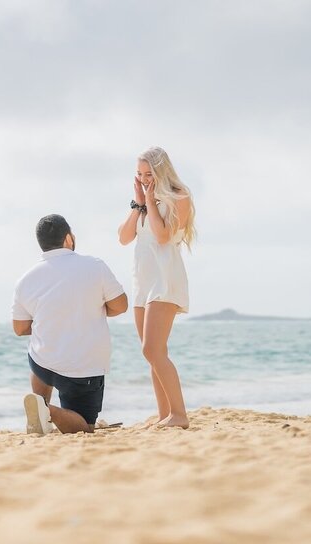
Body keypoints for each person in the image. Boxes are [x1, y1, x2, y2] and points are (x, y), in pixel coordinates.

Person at [13, 214, 128, 434]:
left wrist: (51, 320)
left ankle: (39, 402)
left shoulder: (25, 279)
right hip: (83, 369)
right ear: (68, 238)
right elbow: (121, 306)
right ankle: (46, 411)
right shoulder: (94, 266)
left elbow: (19, 328)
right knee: (85, 427)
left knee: (39, 350)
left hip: (43, 364)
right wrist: (94, 309)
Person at [118, 146, 196, 429]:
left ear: (162, 171)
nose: (144, 179)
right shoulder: (142, 203)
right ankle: (166, 415)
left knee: (152, 350)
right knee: (152, 352)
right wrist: (139, 204)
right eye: (139, 174)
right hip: (143, 281)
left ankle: (179, 414)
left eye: (149, 174)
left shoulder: (179, 197)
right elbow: (124, 238)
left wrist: (150, 203)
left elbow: (163, 237)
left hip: (165, 279)